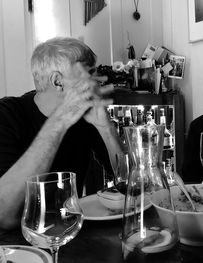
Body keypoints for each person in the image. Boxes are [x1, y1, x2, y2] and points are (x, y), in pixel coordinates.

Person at [0, 37, 125, 229]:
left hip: (70, 231)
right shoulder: (7, 114)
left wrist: (105, 127)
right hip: (17, 245)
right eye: (90, 72)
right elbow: (4, 215)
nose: (99, 80)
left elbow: (130, 183)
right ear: (58, 81)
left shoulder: (86, 117)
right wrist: (60, 120)